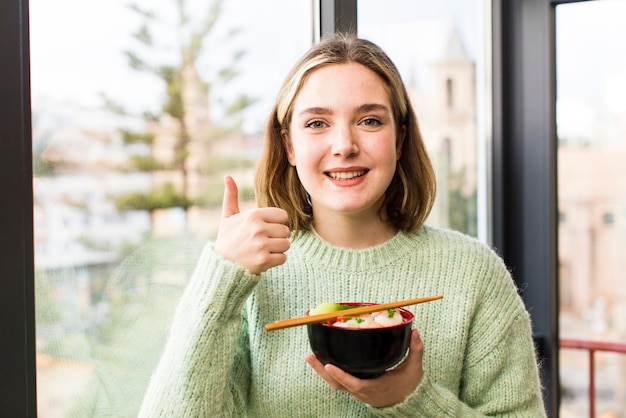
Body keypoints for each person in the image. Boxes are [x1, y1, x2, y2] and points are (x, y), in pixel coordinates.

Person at [138, 33, 546, 417]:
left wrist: (410, 401)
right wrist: (222, 278)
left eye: (370, 121)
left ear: (400, 139)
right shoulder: (246, 275)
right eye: (317, 123)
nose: (344, 145)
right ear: (289, 145)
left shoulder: (472, 272)